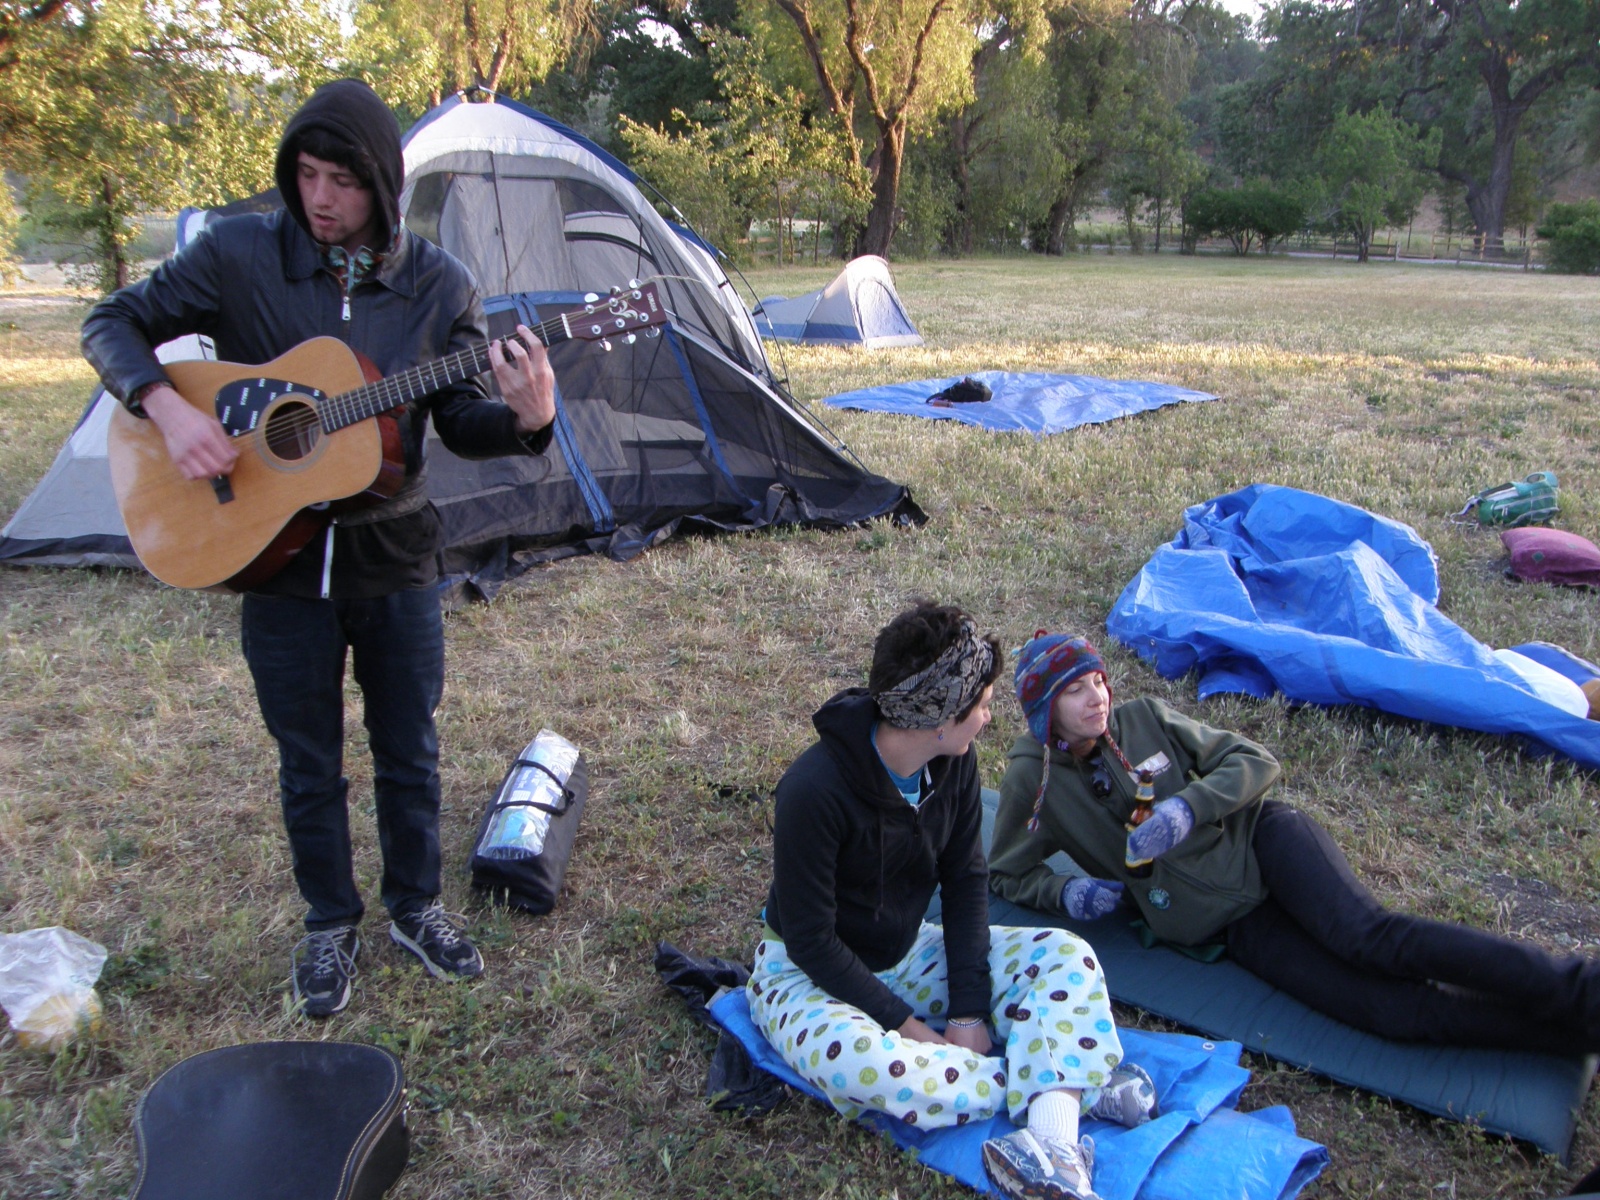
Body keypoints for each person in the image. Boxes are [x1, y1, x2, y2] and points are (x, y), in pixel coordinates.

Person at [80, 79, 558, 1018]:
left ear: (382, 185)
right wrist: (166, 406)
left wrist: (527, 420)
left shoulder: (439, 284)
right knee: (307, 758)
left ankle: (415, 906)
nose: (320, 199)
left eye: (342, 181)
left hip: (395, 551)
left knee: (409, 748)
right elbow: (111, 323)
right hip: (275, 553)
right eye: (305, 175)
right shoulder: (238, 254)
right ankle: (329, 922)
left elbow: (460, 419)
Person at [990, 632, 1600, 1054]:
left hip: (1264, 843)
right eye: (1076, 690)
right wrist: (1068, 894)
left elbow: (1252, 759)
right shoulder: (1031, 780)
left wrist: (1190, 806)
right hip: (1230, 923)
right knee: (1382, 1012)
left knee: (1369, 939)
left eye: (1098, 680)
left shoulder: (1143, 718)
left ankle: (1579, 990)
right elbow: (1008, 871)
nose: (1098, 697)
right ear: (1045, 709)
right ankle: (1569, 1037)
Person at [750, 603, 1156, 1200]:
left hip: (906, 951)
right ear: (939, 718)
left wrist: (967, 1013)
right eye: (983, 704)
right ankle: (1068, 1086)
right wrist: (913, 1030)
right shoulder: (813, 791)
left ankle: (1052, 1143)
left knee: (1066, 956)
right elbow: (811, 941)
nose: (989, 718)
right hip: (805, 976)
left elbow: (966, 878)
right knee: (877, 1069)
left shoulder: (954, 762)